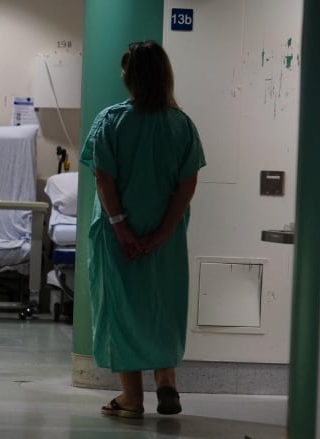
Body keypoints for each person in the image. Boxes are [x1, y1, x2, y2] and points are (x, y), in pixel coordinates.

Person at [80, 40, 206, 419]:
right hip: (165, 239)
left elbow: (104, 178)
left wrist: (122, 229)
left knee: (120, 309)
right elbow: (187, 184)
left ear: (128, 77)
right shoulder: (181, 125)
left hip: (118, 236)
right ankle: (166, 381)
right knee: (162, 306)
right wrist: (163, 233)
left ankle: (131, 397)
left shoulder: (111, 121)